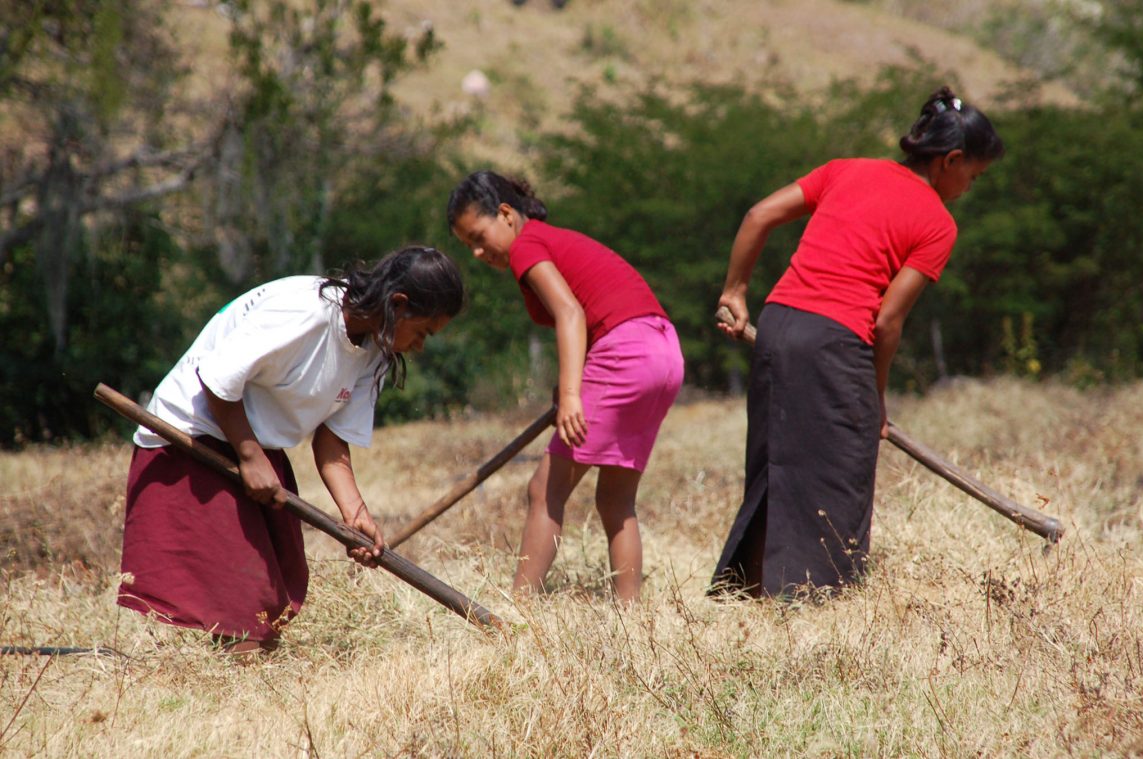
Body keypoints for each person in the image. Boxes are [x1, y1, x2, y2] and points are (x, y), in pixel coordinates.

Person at [711, 86, 1005, 599]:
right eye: (973, 177)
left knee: (774, 467)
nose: (968, 188)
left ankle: (751, 601)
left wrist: (735, 291)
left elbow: (758, 215)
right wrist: (876, 398)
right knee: (837, 484)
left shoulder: (846, 170)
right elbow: (887, 321)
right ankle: (814, 613)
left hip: (778, 327)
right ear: (950, 160)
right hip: (834, 343)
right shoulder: (938, 223)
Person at [118, 246, 464, 653]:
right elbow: (217, 380)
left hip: (254, 445)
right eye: (422, 332)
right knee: (245, 607)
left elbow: (332, 439)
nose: (419, 346)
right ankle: (239, 687)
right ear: (398, 304)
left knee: (270, 599)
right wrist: (249, 456)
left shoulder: (374, 351)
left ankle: (243, 663)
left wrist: (356, 516)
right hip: (193, 440)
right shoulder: (305, 311)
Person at [447, 170, 683, 604]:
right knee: (615, 500)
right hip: (662, 352)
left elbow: (570, 314)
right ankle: (632, 618)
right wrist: (568, 388)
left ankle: (518, 612)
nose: (478, 252)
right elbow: (589, 312)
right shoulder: (550, 240)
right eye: (469, 246)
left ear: (506, 215)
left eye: (479, 237)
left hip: (625, 352)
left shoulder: (528, 246)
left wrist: (573, 394)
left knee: (544, 490)